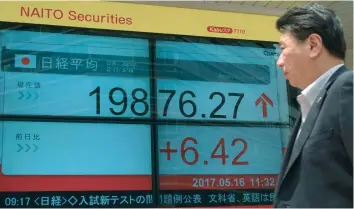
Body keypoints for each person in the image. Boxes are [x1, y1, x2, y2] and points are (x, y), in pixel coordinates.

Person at [273, 2, 353, 208]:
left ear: (313, 45)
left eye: (283, 49)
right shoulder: (312, 102)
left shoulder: (347, 89)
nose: (279, 62)